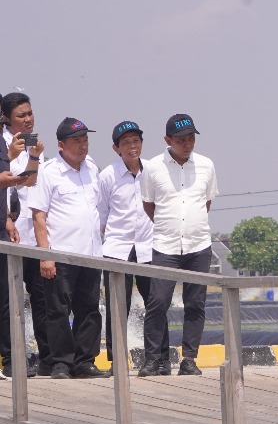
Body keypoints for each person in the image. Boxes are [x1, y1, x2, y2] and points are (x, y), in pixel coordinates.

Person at [139, 114, 219, 377]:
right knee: (158, 302)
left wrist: (190, 226)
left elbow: (206, 203)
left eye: (191, 139)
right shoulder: (152, 167)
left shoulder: (206, 166)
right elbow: (149, 205)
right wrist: (170, 225)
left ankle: (189, 360)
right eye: (181, 140)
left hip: (198, 246)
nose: (188, 144)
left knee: (195, 304)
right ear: (167, 140)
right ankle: (152, 360)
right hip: (166, 246)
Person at [29, 118, 107, 379]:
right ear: (61, 145)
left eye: (85, 140)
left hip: (91, 253)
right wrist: (46, 256)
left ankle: (85, 361)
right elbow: (39, 216)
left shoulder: (92, 168)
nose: (83, 145)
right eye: (77, 141)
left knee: (89, 309)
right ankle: (61, 362)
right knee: (58, 310)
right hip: (60, 255)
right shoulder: (49, 172)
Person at [3, 92, 51, 376]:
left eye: (30, 113)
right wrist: (25, 158)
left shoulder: (36, 145)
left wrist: (33, 156)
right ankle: (13, 358)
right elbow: (22, 180)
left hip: (34, 236)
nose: (28, 119)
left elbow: (36, 185)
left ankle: (48, 356)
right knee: (10, 301)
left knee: (42, 298)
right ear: (7, 118)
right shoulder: (3, 145)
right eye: (21, 115)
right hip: (10, 235)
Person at [98, 121, 153, 372]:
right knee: (118, 307)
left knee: (156, 303)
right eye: (126, 142)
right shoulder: (108, 175)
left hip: (149, 247)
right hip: (117, 249)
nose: (133, 146)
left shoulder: (153, 171)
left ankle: (156, 359)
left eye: (136, 141)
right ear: (116, 148)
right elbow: (101, 214)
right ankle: (118, 361)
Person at [0, 100, 33, 378]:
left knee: (9, 300)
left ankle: (13, 360)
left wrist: (7, 219)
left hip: (9, 229)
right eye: (20, 115)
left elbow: (25, 182)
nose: (27, 119)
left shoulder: (17, 145)